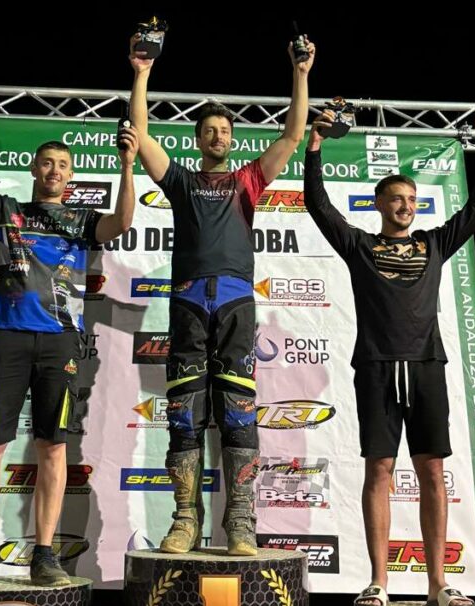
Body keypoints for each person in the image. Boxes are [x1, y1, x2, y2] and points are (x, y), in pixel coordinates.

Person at [0, 79, 139, 587]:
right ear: (33, 168)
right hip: (8, 340)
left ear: (72, 174)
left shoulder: (82, 221)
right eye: (47, 163)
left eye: (63, 165)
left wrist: (128, 167)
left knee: (53, 448)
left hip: (60, 343)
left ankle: (45, 555)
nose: (54, 170)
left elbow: (123, 222)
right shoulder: (6, 211)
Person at [303, 108, 475, 606]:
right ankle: (379, 580)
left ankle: (439, 583)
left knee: (433, 471)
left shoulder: (433, 244)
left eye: (412, 200)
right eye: (397, 199)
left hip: (425, 366)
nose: (406, 207)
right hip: (375, 366)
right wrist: (314, 146)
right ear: (379, 203)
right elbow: (317, 204)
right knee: (380, 470)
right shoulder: (359, 245)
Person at [128, 32, 315, 555]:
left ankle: (241, 522)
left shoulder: (249, 180)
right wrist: (142, 73)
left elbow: (293, 135)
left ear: (231, 139)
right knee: (184, 410)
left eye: (224, 130)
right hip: (188, 300)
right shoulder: (183, 181)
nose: (217, 135)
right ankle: (185, 519)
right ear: (197, 139)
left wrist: (299, 74)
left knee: (237, 409)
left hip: (234, 302)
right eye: (208, 129)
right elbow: (140, 137)